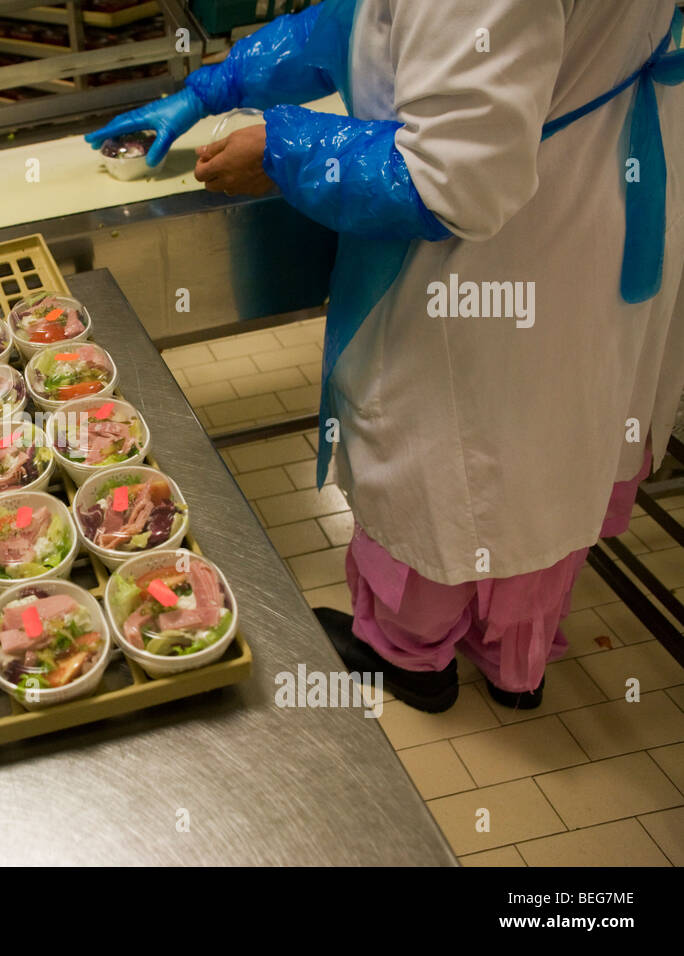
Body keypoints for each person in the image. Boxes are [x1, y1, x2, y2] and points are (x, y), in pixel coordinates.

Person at [89, 0, 684, 712]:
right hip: (601, 191)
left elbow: (450, 179)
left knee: (441, 449)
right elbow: (358, 22)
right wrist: (211, 88)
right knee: (555, 451)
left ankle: (408, 655)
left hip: (489, 260)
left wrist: (283, 151)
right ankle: (512, 657)